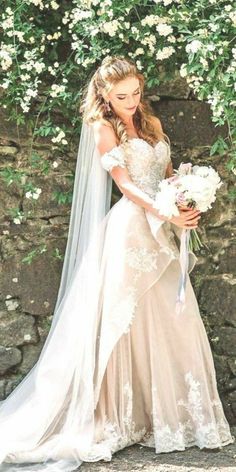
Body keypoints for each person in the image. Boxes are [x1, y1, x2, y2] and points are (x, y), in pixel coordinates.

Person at [0, 56, 234, 472]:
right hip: (131, 229)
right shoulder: (103, 128)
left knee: (172, 318)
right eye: (121, 96)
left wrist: (185, 199)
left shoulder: (154, 125)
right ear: (105, 96)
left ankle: (168, 419)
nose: (130, 101)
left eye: (135, 93)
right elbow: (125, 185)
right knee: (123, 321)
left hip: (162, 226)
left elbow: (165, 178)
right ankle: (119, 414)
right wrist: (165, 213)